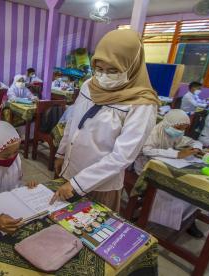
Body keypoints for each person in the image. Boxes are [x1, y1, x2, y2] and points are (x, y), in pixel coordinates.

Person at [51, 29, 160, 212]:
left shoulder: (142, 104)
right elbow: (73, 122)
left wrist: (78, 183)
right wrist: (61, 153)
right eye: (99, 69)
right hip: (70, 170)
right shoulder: (89, 85)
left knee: (88, 231)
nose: (103, 77)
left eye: (113, 71)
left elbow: (122, 156)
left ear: (132, 66)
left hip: (100, 184)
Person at [133, 109, 204, 237]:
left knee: (189, 188)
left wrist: (196, 147)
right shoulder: (154, 132)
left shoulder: (175, 132)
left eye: (184, 128)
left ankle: (186, 221)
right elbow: (147, 150)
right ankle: (157, 218)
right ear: (169, 123)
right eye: (178, 127)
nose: (180, 131)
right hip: (145, 167)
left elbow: (190, 141)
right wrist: (177, 154)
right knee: (173, 191)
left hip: (165, 166)